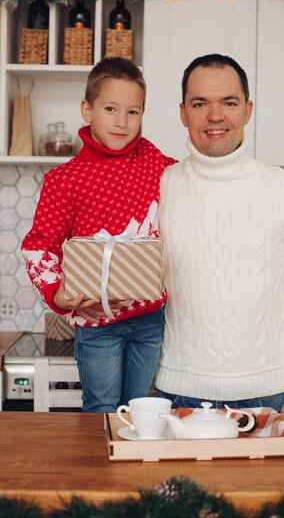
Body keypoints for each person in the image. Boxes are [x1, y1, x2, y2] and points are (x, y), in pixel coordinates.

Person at [156, 54, 284, 414]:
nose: (214, 115)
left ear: (247, 110)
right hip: (174, 396)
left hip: (273, 397)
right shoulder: (162, 185)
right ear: (183, 113)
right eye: (200, 103)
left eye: (228, 103)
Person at [22, 56, 175, 412]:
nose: (122, 122)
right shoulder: (65, 180)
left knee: (143, 411)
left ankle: (131, 469)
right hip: (98, 322)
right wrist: (57, 296)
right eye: (110, 108)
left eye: (133, 112)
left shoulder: (156, 163)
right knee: (102, 409)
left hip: (150, 318)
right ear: (87, 110)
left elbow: (194, 188)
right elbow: (38, 246)